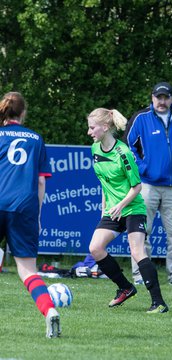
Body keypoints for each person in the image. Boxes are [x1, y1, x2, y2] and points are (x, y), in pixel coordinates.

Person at [87, 107, 168, 313]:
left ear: (105, 127)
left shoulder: (123, 153)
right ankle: (125, 288)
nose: (89, 132)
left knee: (136, 250)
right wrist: (104, 207)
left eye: (92, 128)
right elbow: (104, 182)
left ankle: (158, 303)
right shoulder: (95, 149)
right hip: (113, 210)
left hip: (132, 208)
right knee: (95, 248)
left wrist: (121, 205)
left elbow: (137, 187)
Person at [0, 92, 61, 338]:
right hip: (24, 206)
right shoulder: (36, 139)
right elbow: (40, 184)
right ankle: (49, 312)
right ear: (23, 113)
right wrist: (36, 215)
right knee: (28, 271)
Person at [123, 81, 172, 285]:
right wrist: (143, 169)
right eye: (158, 97)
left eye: (166, 97)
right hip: (147, 186)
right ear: (152, 98)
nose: (162, 101)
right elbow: (127, 148)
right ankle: (141, 275)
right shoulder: (141, 118)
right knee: (142, 233)